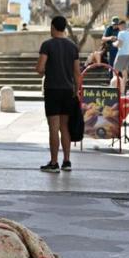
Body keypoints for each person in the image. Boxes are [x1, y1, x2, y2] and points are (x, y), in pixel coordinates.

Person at [36, 16, 81, 173]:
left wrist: (44, 69)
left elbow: (40, 68)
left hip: (52, 90)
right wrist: (78, 91)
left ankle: (54, 163)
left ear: (53, 27)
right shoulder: (73, 47)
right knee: (65, 127)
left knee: (53, 128)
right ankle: (67, 161)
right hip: (68, 91)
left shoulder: (47, 45)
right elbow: (77, 72)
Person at [112, 20, 129, 96]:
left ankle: (114, 90)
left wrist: (114, 43)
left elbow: (119, 44)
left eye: (119, 26)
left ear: (121, 25)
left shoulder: (121, 33)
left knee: (115, 72)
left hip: (121, 54)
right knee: (124, 74)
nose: (118, 27)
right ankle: (122, 91)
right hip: (127, 54)